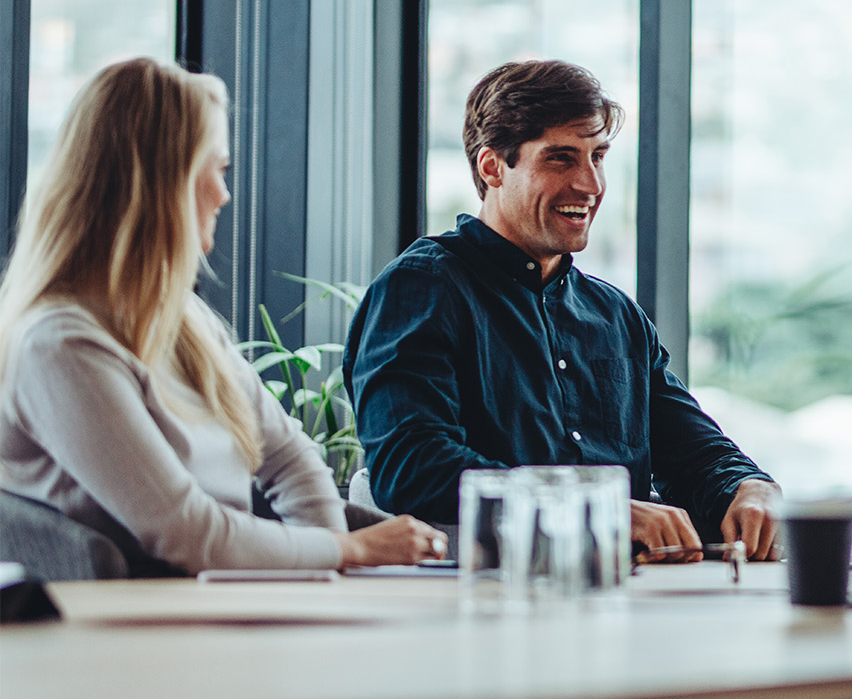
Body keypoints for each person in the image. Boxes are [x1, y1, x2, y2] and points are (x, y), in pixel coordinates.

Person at [0, 58, 445, 574]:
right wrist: (350, 549)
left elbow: (288, 456)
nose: (225, 193)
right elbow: (187, 533)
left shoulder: (181, 318)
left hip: (215, 604)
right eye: (218, 169)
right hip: (132, 630)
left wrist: (327, 570)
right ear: (163, 183)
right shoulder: (60, 346)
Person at [347, 60, 781, 560]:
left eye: (598, 157)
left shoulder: (615, 315)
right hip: (479, 602)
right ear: (492, 167)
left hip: (627, 599)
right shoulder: (422, 289)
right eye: (560, 159)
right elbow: (412, 467)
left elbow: (693, 452)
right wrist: (595, 507)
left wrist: (749, 486)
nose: (591, 185)